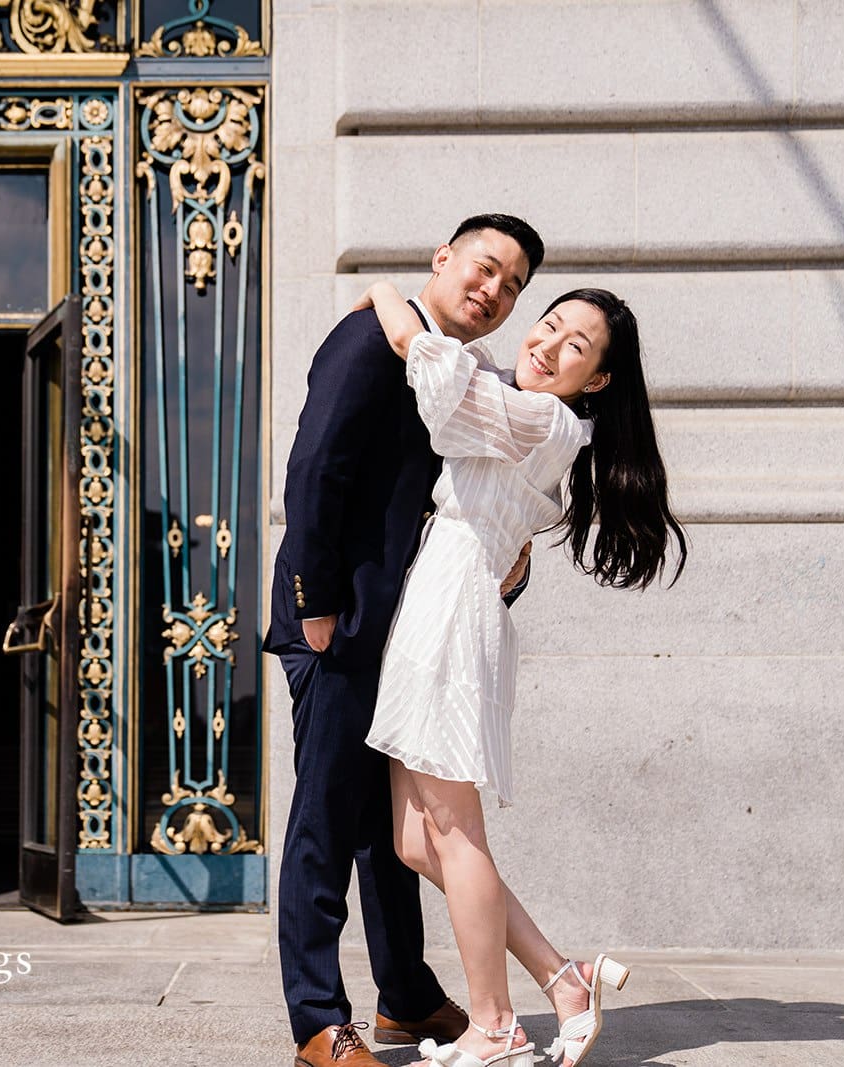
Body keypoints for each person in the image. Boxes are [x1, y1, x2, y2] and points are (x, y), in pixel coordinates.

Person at [355, 282, 687, 1067]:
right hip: (441, 598)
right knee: (412, 838)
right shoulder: (528, 408)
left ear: (598, 379)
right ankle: (563, 978)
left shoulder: (543, 417)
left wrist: (382, 294)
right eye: (550, 323)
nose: (545, 343)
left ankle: (496, 1025)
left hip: (452, 609)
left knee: (453, 828)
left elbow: (434, 378)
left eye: (576, 345)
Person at [263, 215, 546, 1067]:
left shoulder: (460, 373)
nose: (493, 290)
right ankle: (318, 1017)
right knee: (325, 814)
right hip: (341, 621)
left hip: (416, 632)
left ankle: (407, 997)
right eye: (485, 267)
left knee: (391, 823)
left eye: (512, 285)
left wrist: (514, 571)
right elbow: (315, 468)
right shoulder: (368, 341)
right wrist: (316, 604)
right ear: (444, 259)